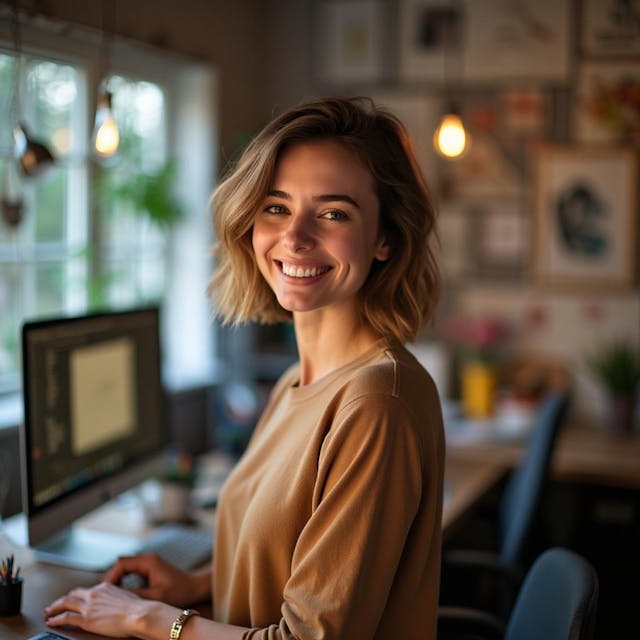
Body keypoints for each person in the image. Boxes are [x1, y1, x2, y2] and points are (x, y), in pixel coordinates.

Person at [45, 96, 445, 639]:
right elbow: (296, 565)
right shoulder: (294, 382)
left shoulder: (376, 403)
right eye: (276, 206)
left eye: (333, 213)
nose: (295, 236)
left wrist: (149, 618)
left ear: (383, 239)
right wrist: (198, 585)